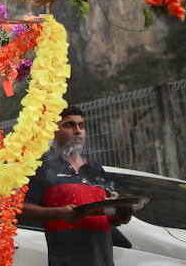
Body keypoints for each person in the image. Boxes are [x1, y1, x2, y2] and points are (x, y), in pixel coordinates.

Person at [21, 106, 132, 266]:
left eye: (81, 125)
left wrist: (119, 216)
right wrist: (58, 213)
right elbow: (21, 208)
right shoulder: (41, 165)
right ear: (53, 131)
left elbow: (103, 211)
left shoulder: (95, 168)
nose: (78, 130)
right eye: (69, 125)